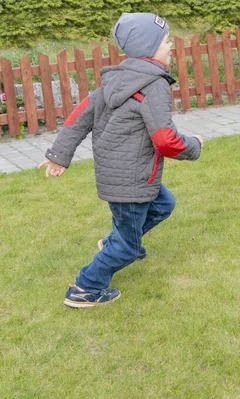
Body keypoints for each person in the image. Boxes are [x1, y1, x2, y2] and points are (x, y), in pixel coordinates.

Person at [38, 13, 204, 308]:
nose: (170, 47)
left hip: (126, 176)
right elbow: (166, 140)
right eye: (166, 41)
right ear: (149, 45)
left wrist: (59, 158)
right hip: (131, 181)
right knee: (127, 248)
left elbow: (77, 119)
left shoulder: (114, 78)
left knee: (164, 204)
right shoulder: (154, 85)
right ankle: (86, 288)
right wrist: (195, 145)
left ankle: (114, 242)